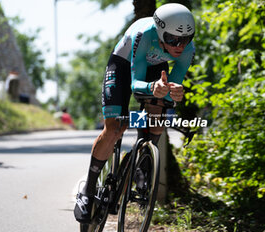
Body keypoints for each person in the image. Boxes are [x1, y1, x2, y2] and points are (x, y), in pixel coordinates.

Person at [74, 3, 195, 223]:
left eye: (186, 39)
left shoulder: (187, 48)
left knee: (157, 120)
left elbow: (173, 87)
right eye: (173, 39)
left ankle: (143, 165)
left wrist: (175, 93)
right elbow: (135, 83)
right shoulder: (144, 34)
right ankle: (88, 191)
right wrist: (152, 88)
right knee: (114, 129)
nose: (180, 46)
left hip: (154, 68)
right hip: (124, 64)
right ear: (159, 32)